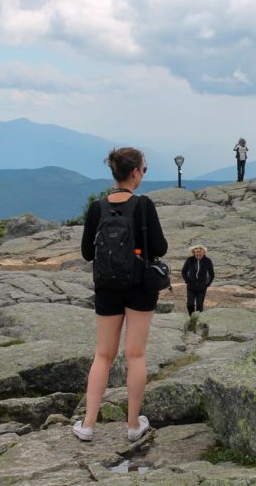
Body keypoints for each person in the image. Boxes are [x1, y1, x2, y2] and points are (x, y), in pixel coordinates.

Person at [75, 147, 168, 442]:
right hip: (140, 286)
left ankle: (88, 425)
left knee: (103, 355)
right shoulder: (143, 205)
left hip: (106, 286)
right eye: (144, 169)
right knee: (135, 354)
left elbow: (87, 252)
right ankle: (132, 425)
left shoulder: (97, 207)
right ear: (135, 173)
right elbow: (161, 248)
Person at [181, 245, 215, 315]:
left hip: (202, 288)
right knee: (190, 304)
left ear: (203, 253)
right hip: (191, 287)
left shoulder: (207, 261)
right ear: (194, 253)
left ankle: (198, 320)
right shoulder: (189, 260)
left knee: (199, 306)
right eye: (197, 252)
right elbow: (184, 272)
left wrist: (206, 284)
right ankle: (191, 317)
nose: (198, 254)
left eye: (200, 252)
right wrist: (188, 281)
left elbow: (211, 274)